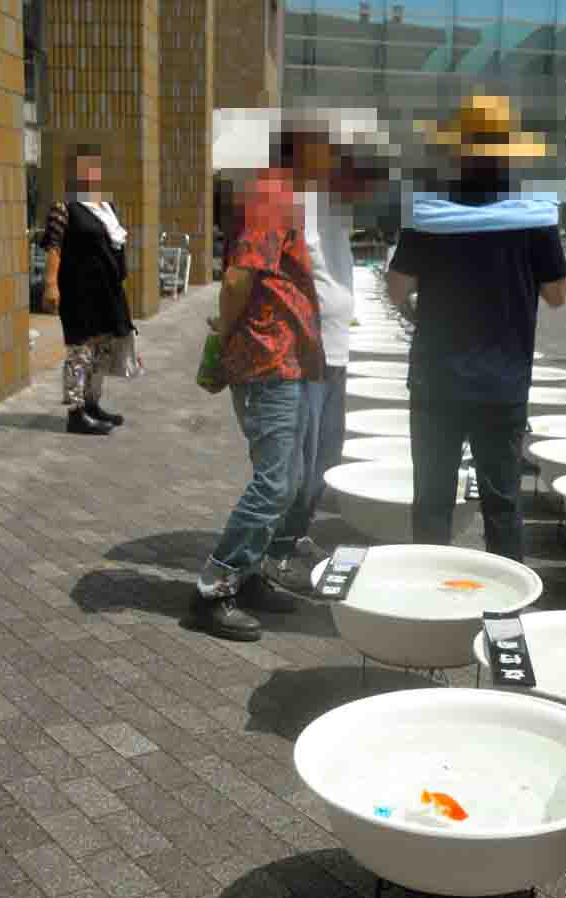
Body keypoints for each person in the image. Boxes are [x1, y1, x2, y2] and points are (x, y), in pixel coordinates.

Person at [385, 95, 566, 563]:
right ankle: (507, 596)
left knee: (432, 499)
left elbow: (396, 288)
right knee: (502, 503)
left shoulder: (429, 210)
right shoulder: (533, 215)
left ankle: (428, 591)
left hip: (436, 378)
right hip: (502, 380)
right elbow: (557, 294)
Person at [186, 128, 333, 642]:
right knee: (274, 483)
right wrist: (226, 334)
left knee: (288, 479)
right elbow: (237, 279)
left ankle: (247, 576)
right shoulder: (272, 194)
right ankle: (214, 589)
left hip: (286, 360)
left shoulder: (280, 195)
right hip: (269, 359)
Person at [268, 122, 386, 593]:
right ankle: (276, 549)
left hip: (335, 352)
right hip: (304, 355)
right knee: (299, 461)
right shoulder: (288, 205)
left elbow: (372, 181)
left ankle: (296, 535)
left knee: (325, 458)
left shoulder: (331, 204)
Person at [40, 144, 136, 436]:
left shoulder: (106, 207)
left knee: (102, 351)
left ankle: (92, 404)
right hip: (79, 292)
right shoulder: (64, 207)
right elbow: (54, 247)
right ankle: (76, 412)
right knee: (80, 350)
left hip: (107, 292)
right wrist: (51, 284)